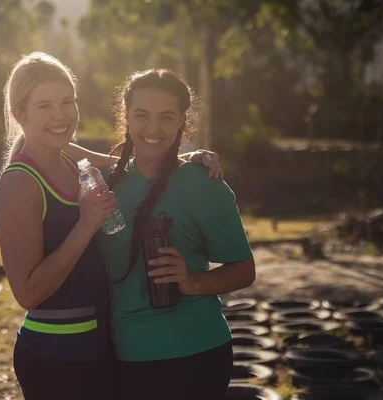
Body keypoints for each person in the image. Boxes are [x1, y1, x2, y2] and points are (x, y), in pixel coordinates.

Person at [0, 52, 222, 399]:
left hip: (100, 345)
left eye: (67, 101)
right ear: (18, 114)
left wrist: (191, 158)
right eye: (44, 106)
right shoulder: (19, 184)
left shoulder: (67, 154)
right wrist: (87, 224)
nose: (60, 115)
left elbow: (130, 163)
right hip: (56, 356)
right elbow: (27, 294)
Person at [98, 69, 256, 400]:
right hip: (123, 355)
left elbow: (244, 269)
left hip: (194, 354)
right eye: (141, 115)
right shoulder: (102, 186)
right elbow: (49, 149)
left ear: (183, 121)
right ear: (125, 116)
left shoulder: (204, 184)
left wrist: (192, 282)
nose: (153, 128)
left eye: (166, 117)